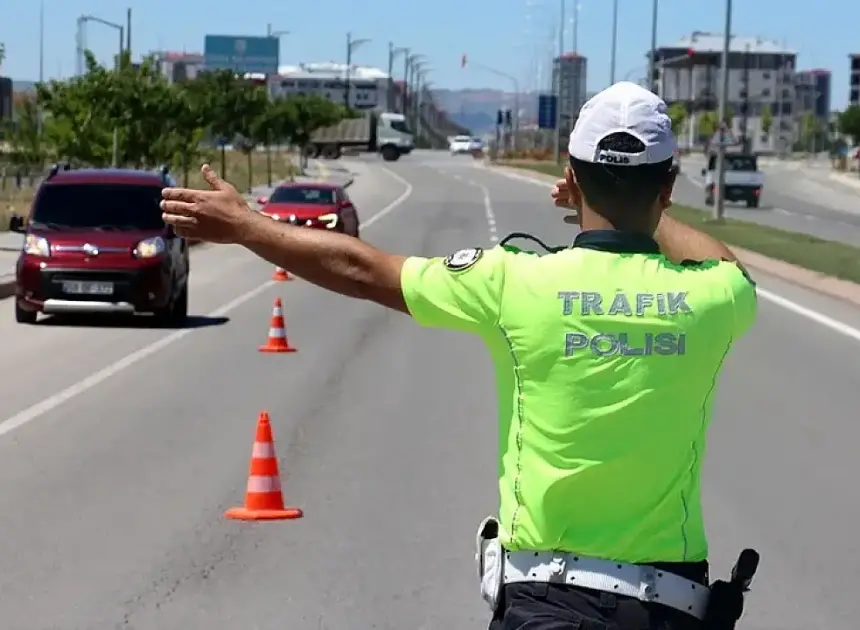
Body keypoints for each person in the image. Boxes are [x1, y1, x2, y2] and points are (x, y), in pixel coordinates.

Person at [160, 81, 757, 630]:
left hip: (547, 604)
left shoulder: (513, 281)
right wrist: (651, 211)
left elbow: (363, 269)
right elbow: (726, 263)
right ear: (668, 186)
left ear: (571, 177)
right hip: (671, 608)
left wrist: (247, 225)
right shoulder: (712, 296)